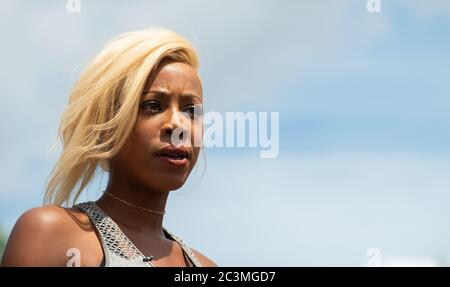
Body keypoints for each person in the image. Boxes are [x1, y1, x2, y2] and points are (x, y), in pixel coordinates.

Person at [1, 28, 217, 267]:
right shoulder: (52, 235)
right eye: (153, 105)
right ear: (107, 126)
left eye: (191, 110)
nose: (178, 126)